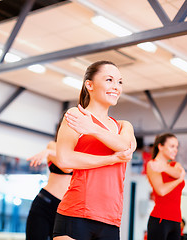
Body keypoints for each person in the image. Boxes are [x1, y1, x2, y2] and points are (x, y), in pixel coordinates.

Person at [52, 60, 136, 240]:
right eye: (109, 80)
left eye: (119, 82)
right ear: (89, 84)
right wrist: (111, 159)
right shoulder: (75, 115)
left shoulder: (123, 126)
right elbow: (65, 160)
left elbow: (126, 147)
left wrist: (93, 129)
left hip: (111, 220)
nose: (116, 87)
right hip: (76, 214)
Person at [25, 120, 73, 240]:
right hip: (45, 202)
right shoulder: (53, 145)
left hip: (65, 209)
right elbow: (67, 167)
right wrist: (50, 151)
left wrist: (48, 153)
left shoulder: (79, 152)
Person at [146, 133, 185, 240]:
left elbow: (179, 173)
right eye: (172, 146)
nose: (175, 150)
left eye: (177, 147)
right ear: (160, 146)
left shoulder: (175, 165)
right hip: (160, 219)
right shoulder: (152, 164)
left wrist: (163, 167)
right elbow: (161, 190)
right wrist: (179, 180)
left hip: (176, 221)